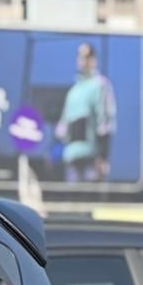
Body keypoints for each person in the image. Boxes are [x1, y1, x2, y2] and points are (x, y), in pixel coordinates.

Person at [58, 41, 116, 184]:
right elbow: (63, 128)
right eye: (80, 56)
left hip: (92, 160)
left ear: (93, 59)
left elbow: (105, 122)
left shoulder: (100, 85)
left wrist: (103, 156)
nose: (83, 60)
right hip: (71, 161)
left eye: (87, 56)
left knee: (91, 199)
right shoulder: (73, 91)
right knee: (72, 203)